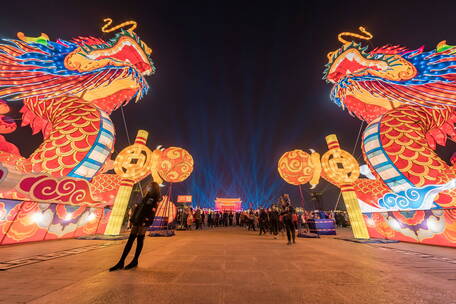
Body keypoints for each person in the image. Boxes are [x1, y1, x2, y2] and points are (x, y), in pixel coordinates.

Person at [109, 182, 162, 271]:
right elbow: (140, 208)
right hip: (137, 220)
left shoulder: (155, 198)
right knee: (130, 240)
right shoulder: (146, 196)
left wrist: (146, 221)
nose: (148, 187)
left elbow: (152, 211)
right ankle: (121, 261)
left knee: (140, 239)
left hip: (143, 221)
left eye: (149, 186)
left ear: (153, 188)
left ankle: (135, 260)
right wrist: (133, 218)